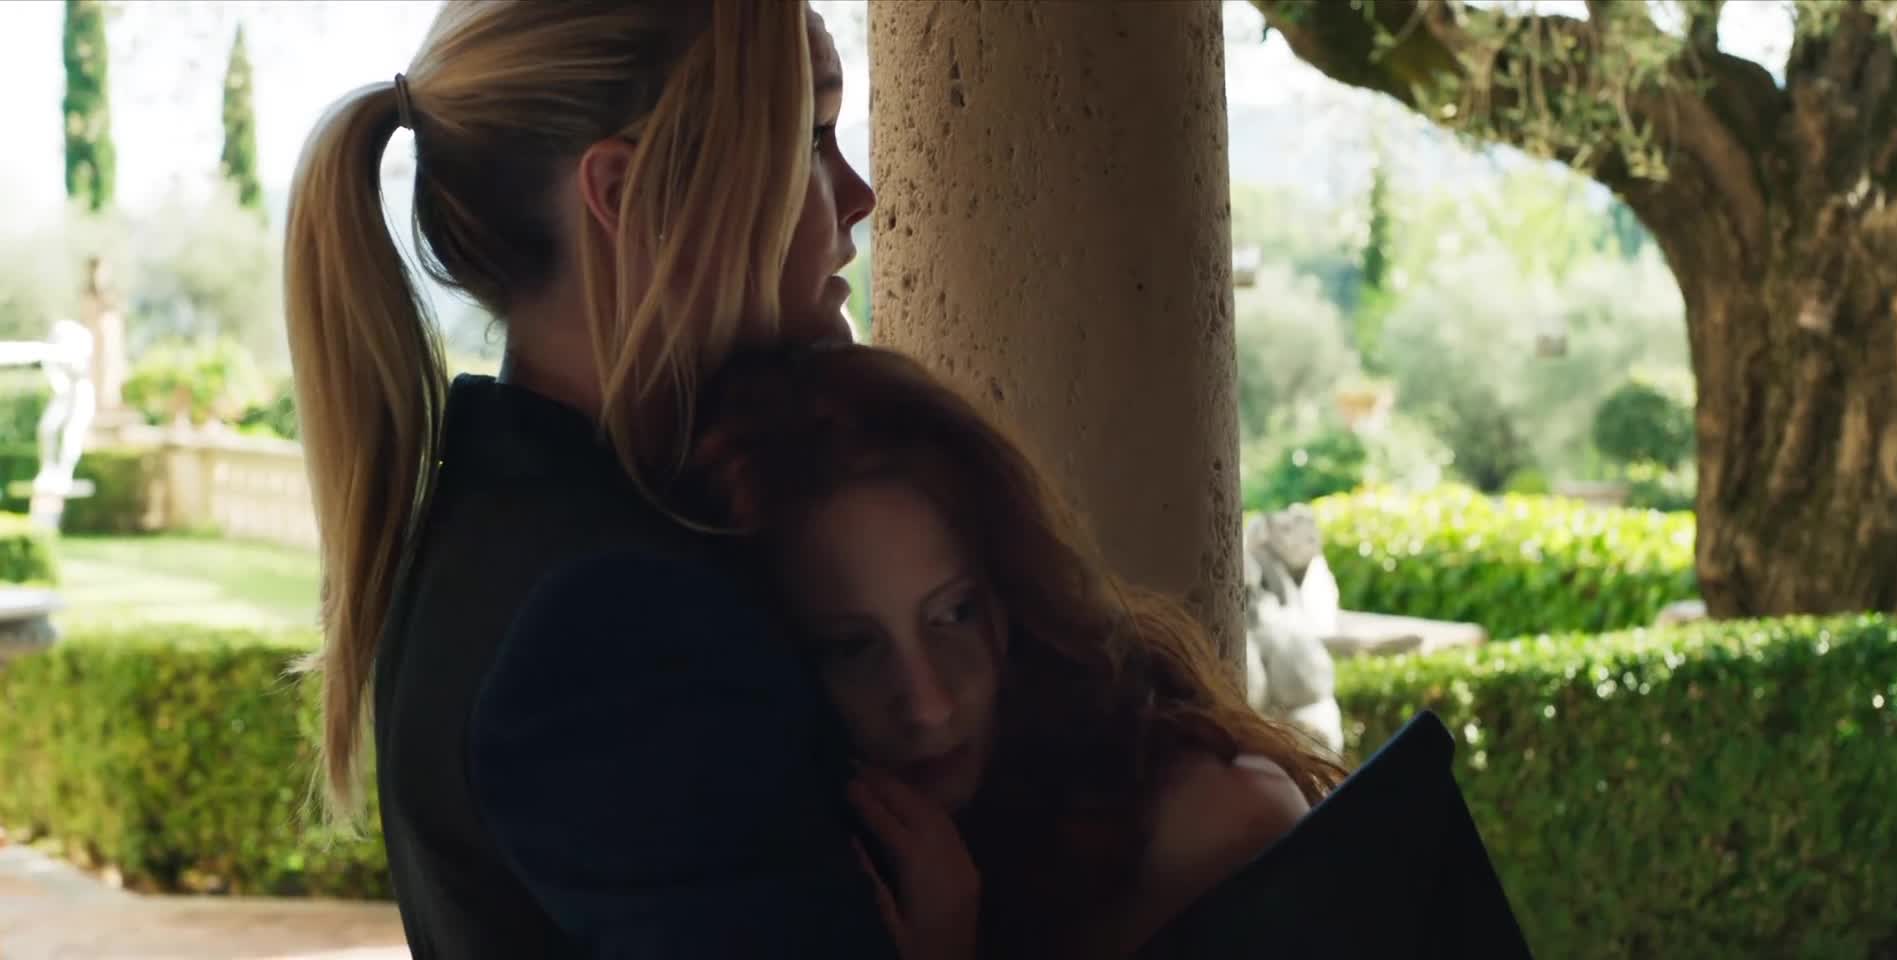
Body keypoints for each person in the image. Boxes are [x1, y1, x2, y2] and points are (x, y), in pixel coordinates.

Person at [281, 2, 891, 956]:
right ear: (628, 192)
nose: (859, 195)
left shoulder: (521, 533)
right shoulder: (612, 624)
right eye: (808, 139)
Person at [683, 343, 1351, 959]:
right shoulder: (779, 861)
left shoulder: (1205, 826)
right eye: (852, 648)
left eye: (955, 613)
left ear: (1014, 592)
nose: (928, 702)